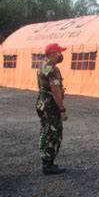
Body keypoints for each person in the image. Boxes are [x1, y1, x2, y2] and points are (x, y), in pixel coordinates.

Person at [37, 43, 68, 175]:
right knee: (54, 133)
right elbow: (55, 90)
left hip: (42, 102)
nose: (61, 55)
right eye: (59, 52)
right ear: (52, 54)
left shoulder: (43, 66)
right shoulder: (53, 69)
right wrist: (62, 109)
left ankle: (46, 161)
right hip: (51, 104)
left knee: (45, 131)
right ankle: (48, 165)